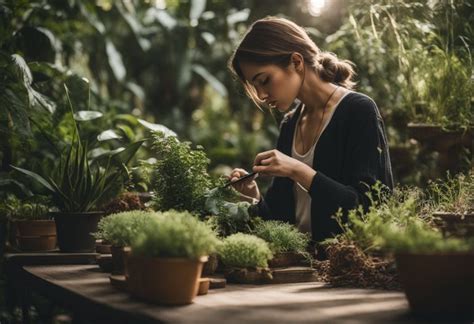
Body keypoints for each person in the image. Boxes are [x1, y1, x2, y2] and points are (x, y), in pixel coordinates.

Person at [227, 17, 393, 253]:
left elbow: (367, 208)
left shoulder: (358, 111)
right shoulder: (290, 124)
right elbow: (279, 220)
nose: (262, 95)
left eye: (264, 80)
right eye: (256, 88)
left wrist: (298, 170)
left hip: (349, 268)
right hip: (302, 270)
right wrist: (252, 194)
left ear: (296, 61)